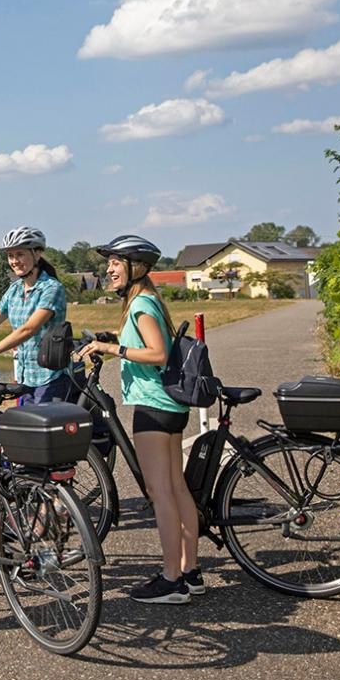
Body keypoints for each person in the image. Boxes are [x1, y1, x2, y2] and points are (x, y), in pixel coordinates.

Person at [77, 234, 201, 605]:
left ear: (137, 267)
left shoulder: (141, 305)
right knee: (177, 488)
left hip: (153, 406)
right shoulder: (145, 301)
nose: (109, 269)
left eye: (116, 263)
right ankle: (190, 571)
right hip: (169, 407)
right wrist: (110, 340)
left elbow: (158, 353)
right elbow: (143, 344)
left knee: (159, 493)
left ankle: (171, 579)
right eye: (109, 263)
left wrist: (112, 347)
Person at [0, 226, 69, 404]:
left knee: (41, 429)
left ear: (37, 254)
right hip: (24, 379)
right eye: (10, 256)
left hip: (50, 379)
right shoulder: (15, 289)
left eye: (20, 254)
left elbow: (28, 329)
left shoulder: (51, 288)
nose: (14, 261)